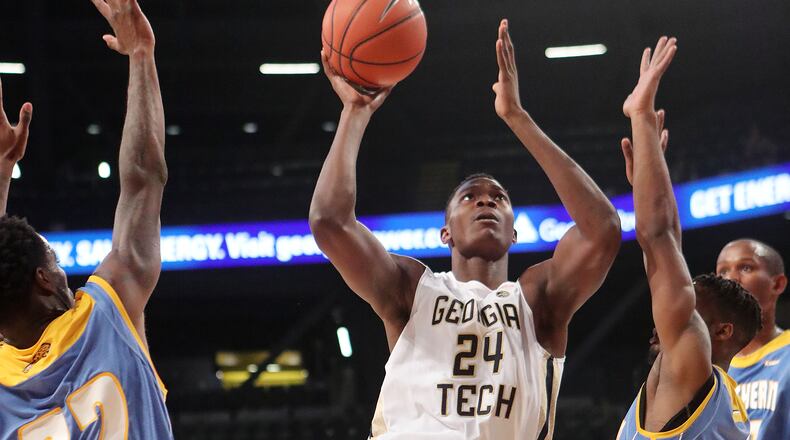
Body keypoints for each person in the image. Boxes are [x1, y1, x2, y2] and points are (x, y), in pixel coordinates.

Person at [310, 19, 621, 439]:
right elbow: (329, 223)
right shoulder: (412, 288)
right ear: (446, 234)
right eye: (469, 197)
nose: (486, 201)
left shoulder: (537, 298)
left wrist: (518, 118)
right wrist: (355, 112)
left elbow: (602, 229)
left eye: (498, 198)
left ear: (514, 233)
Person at [0, 0, 172, 437]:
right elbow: (144, 180)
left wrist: (2, 173)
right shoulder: (103, 314)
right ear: (43, 279)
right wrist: (141, 55)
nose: (65, 275)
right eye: (55, 262)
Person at [615, 36, 760, 439]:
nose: (667, 310)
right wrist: (650, 169)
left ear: (721, 331)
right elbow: (667, 242)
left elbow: (657, 237)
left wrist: (641, 118)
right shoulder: (721, 398)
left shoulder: (692, 368)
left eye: (692, 306)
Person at [717, 239, 788, 439]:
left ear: (777, 284)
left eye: (746, 267)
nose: (731, 279)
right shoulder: (706, 368)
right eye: (723, 271)